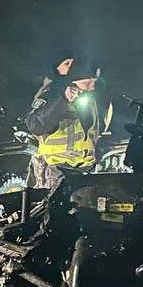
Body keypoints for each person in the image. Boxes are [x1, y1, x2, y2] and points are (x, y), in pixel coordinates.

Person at [26, 53, 106, 189]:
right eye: (88, 82)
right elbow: (35, 125)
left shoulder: (91, 101)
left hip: (84, 169)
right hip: (57, 170)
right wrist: (62, 101)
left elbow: (94, 133)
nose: (92, 86)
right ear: (74, 80)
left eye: (94, 81)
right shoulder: (53, 94)